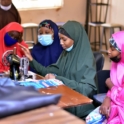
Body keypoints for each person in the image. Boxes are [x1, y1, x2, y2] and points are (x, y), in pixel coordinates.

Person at [19, 21, 97, 118]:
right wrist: (31, 60)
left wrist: (59, 79)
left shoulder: (86, 59)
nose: (61, 43)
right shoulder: (66, 54)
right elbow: (50, 71)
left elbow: (88, 89)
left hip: (80, 107)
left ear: (75, 38)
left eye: (64, 39)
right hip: (66, 98)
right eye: (60, 39)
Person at [100, 31, 124, 123]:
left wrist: (110, 85)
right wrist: (107, 98)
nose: (108, 51)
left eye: (112, 49)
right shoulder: (117, 64)